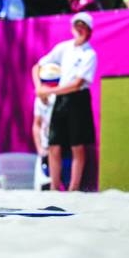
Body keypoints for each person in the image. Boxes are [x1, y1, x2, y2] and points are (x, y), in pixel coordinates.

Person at [32, 12, 97, 191]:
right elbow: (37, 66)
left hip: (78, 100)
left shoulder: (90, 54)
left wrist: (49, 91)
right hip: (60, 99)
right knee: (54, 144)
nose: (79, 29)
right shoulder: (64, 48)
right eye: (77, 25)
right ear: (72, 28)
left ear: (89, 30)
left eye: (83, 26)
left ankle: (73, 189)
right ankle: (54, 187)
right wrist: (39, 88)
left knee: (78, 145)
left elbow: (77, 84)